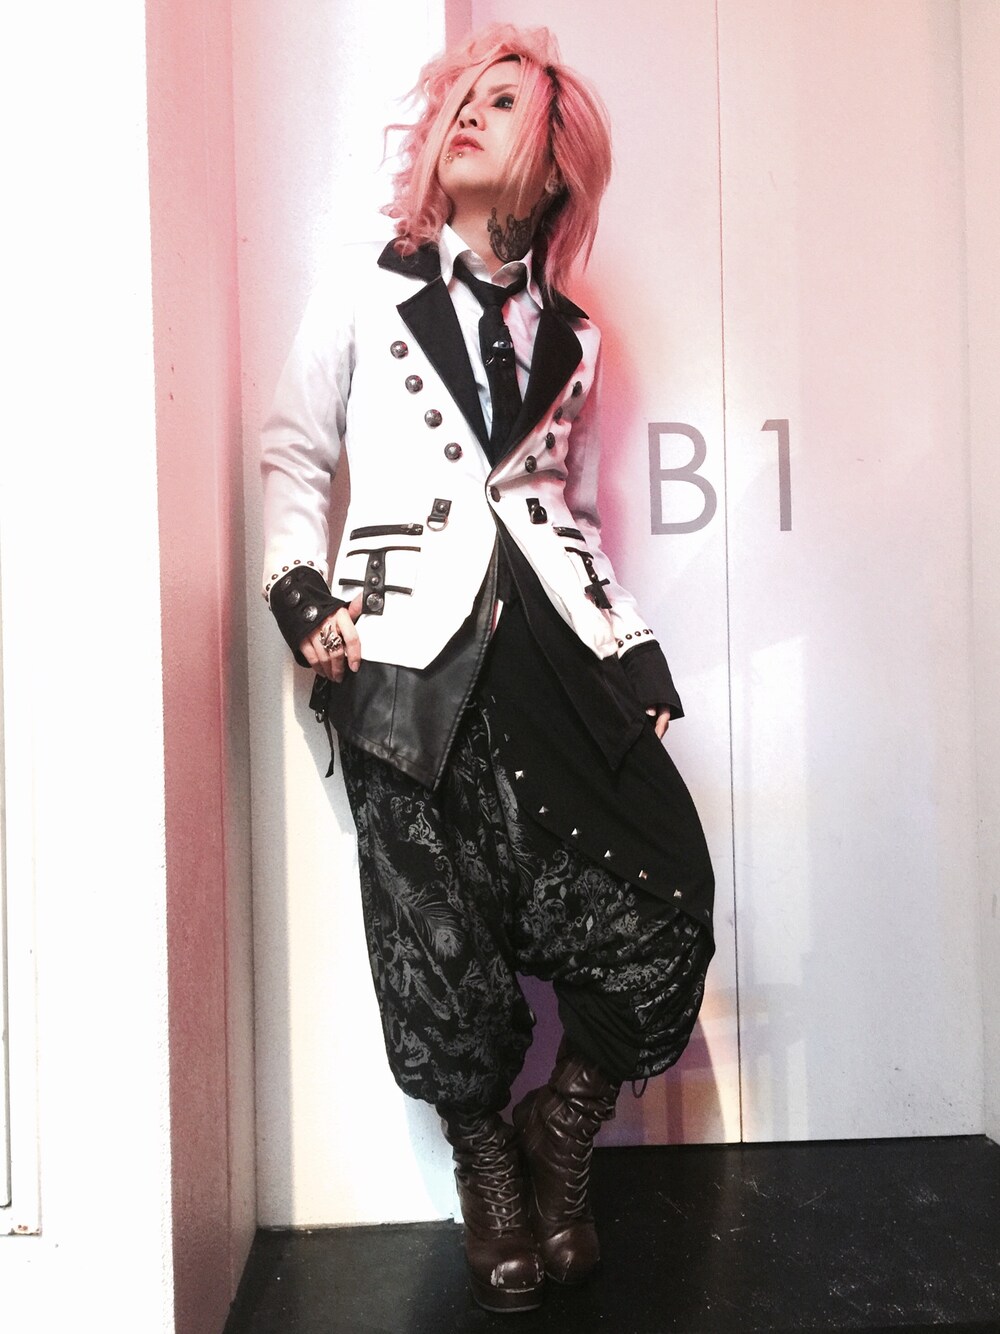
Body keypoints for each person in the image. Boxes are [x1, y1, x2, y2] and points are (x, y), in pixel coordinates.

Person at [261, 23, 715, 1314]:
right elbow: (294, 453)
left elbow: (563, 513)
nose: (470, 109)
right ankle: (489, 1164)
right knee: (435, 929)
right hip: (403, 649)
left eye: (504, 101)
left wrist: (631, 650)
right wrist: (299, 589)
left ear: (553, 161)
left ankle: (559, 1131)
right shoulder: (368, 286)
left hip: (554, 656)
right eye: (465, 93)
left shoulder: (575, 337)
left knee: (668, 895)